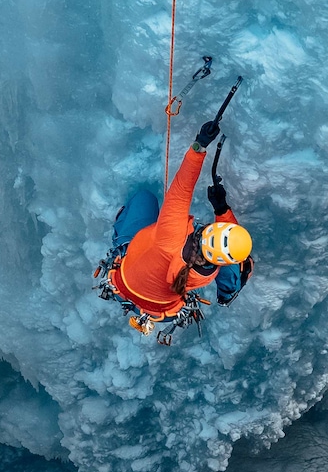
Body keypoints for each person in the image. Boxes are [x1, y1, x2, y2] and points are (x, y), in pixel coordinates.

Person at [103, 91, 254, 339]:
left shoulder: (171, 236)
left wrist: (199, 145)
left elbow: (182, 188)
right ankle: (227, 292)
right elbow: (230, 245)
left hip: (128, 277)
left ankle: (123, 233)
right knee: (235, 258)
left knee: (144, 199)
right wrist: (222, 210)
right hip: (163, 306)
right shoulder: (207, 274)